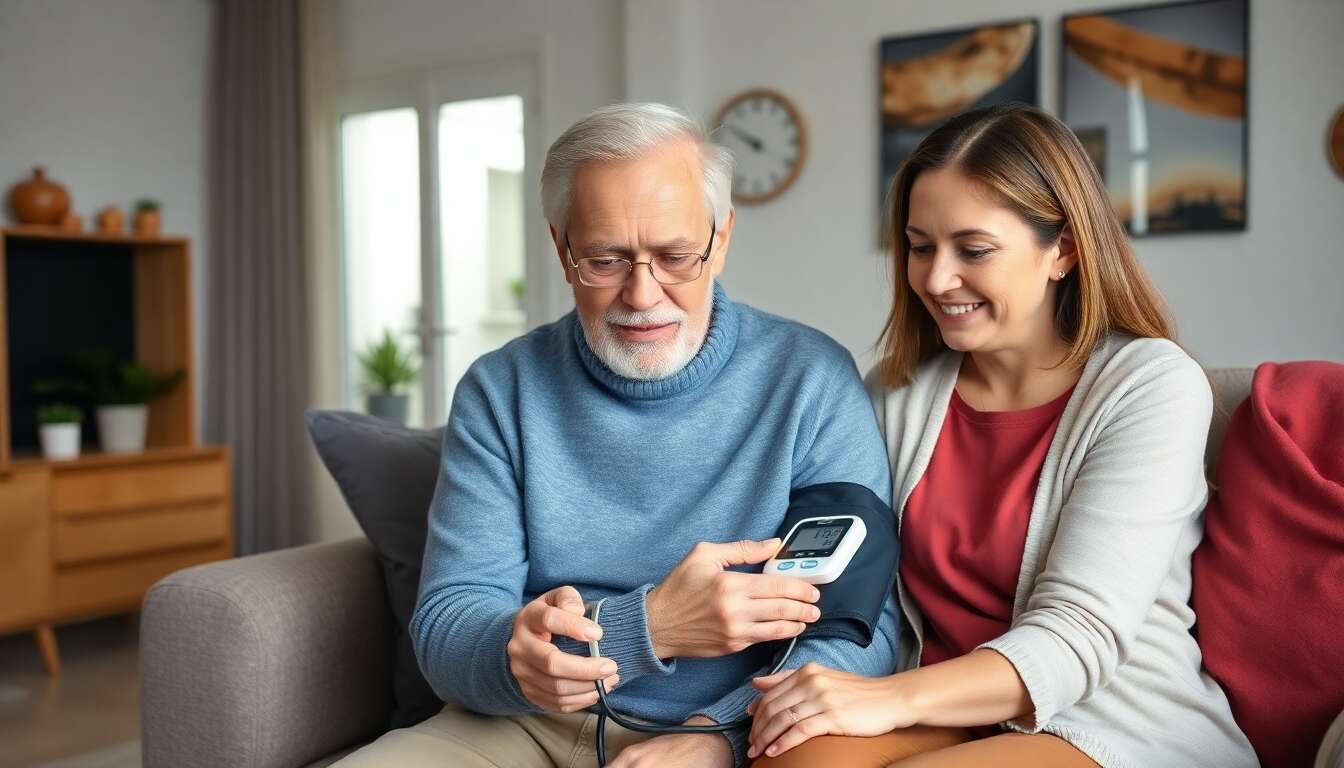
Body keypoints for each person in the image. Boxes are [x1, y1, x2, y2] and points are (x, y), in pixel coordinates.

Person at [333, 102, 899, 768]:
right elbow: (447, 629)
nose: (642, 295)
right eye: (605, 260)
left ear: (720, 240)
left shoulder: (810, 380)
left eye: (675, 257)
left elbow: (862, 627)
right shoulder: (501, 389)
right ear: (562, 249)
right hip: (524, 723)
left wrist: (718, 736)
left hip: (729, 725)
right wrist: (646, 627)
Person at [746, 103, 1257, 768]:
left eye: (974, 250)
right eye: (921, 247)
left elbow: (1077, 636)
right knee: (789, 755)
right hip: (946, 713)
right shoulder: (896, 392)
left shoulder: (1150, 384)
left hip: (1107, 721)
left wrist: (886, 700)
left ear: (1063, 249)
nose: (936, 279)